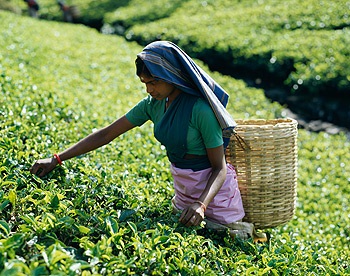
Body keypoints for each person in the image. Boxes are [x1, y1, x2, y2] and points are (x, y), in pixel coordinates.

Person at [30, 41, 265, 241]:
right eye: (144, 83)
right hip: (184, 189)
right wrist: (57, 158)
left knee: (228, 240)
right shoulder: (153, 105)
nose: (149, 89)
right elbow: (106, 134)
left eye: (153, 82)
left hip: (214, 195)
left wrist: (201, 205)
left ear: (171, 75)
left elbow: (219, 168)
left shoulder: (200, 110)